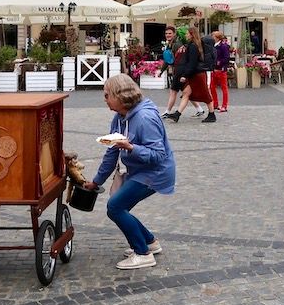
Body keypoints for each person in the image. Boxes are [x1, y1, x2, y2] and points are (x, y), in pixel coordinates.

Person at [82, 74, 176, 270]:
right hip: (140, 170)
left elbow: (158, 155)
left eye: (107, 95)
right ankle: (150, 242)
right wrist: (96, 182)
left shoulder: (144, 118)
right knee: (119, 207)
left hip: (155, 172)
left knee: (115, 207)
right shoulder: (119, 117)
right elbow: (111, 153)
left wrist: (131, 148)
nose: (104, 99)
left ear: (119, 96)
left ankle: (143, 253)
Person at [166, 27, 215, 123]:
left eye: (187, 33)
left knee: (205, 95)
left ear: (191, 34)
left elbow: (192, 63)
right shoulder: (195, 44)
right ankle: (177, 114)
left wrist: (185, 75)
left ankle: (212, 114)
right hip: (195, 73)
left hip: (197, 74)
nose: (185, 35)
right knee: (186, 94)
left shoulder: (193, 46)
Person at [210, 30, 230, 112]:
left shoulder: (223, 46)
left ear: (217, 38)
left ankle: (224, 106)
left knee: (224, 88)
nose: (212, 37)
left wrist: (219, 62)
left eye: (213, 36)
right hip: (213, 69)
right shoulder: (213, 46)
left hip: (221, 70)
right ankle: (215, 104)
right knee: (212, 87)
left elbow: (226, 58)